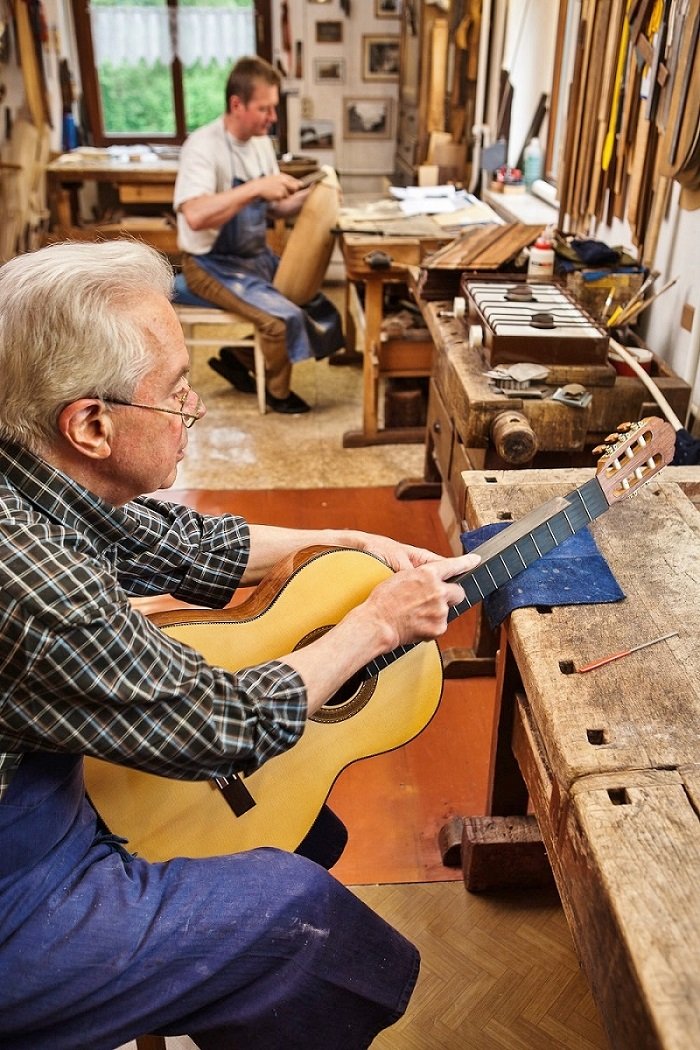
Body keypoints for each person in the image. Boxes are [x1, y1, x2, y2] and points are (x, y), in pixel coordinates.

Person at [0, 239, 480, 1050]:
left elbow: (175, 541)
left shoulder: (33, 473)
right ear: (89, 423)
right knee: (297, 917)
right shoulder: (36, 580)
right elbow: (223, 728)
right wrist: (376, 625)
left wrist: (348, 540)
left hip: (35, 809)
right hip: (15, 893)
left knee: (307, 830)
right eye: (177, 393)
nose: (196, 409)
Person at [173, 55, 344, 415]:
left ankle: (238, 357)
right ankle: (279, 394)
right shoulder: (203, 147)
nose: (273, 117)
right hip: (209, 264)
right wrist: (255, 187)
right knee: (280, 319)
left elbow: (274, 208)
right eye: (265, 108)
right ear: (237, 104)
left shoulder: (261, 142)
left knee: (310, 300)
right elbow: (195, 215)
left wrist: (311, 196)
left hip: (253, 256)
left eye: (274, 108)